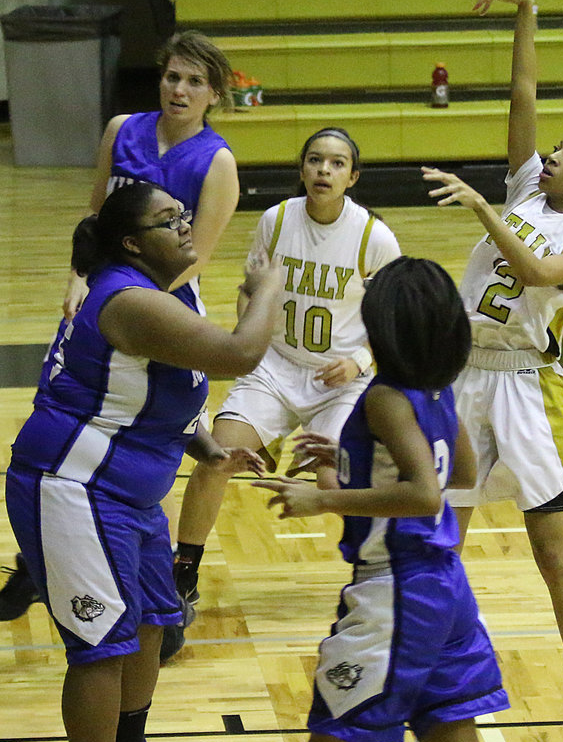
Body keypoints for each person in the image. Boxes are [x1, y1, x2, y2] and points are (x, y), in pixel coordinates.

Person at [254, 256, 563, 742]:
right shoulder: (436, 392)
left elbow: (427, 494)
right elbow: (464, 470)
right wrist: (347, 464)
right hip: (444, 593)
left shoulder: (384, 397)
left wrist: (324, 499)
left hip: (395, 598)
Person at [4, 182, 283, 742]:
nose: (185, 226)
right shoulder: (127, 300)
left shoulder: (162, 294)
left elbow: (160, 390)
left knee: (155, 621)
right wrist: (269, 287)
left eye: (183, 214)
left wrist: (209, 447)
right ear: (131, 243)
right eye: (168, 220)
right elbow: (240, 354)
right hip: (73, 487)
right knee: (102, 646)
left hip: (128, 493)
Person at [421, 0, 563, 742]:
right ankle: (440, 699)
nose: (551, 156)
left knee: (551, 552)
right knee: (441, 544)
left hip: (525, 389)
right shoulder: (526, 187)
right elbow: (523, 92)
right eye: (556, 148)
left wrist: (483, 208)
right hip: (462, 377)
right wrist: (526, 10)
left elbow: (541, 270)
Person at [0, 30, 241, 622]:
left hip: (162, 308)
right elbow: (95, 217)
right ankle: (37, 560)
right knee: (64, 409)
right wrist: (80, 277)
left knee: (149, 436)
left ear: (214, 94)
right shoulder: (122, 129)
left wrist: (134, 307)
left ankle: (156, 585)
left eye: (195, 82)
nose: (180, 90)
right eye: (172, 76)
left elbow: (196, 255)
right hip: (102, 296)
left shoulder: (217, 161)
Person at [161, 127, 401, 660]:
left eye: (336, 163)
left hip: (340, 380)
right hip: (275, 366)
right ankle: (184, 573)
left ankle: (378, 576)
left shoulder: (374, 238)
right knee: (217, 457)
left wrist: (359, 361)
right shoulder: (277, 219)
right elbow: (250, 290)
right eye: (315, 160)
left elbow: (396, 317)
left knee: (333, 479)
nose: (323, 170)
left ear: (352, 177)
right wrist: (246, 336)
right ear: (302, 169)